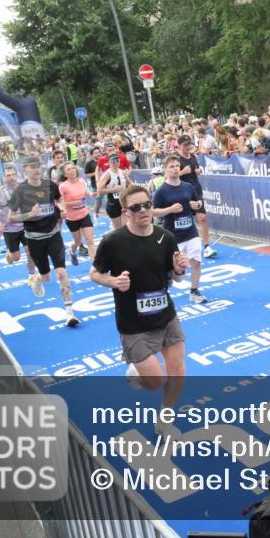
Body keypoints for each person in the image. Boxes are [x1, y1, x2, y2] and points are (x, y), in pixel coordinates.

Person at [91, 184, 190, 436]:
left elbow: (176, 277)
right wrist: (114, 282)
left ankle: (164, 419)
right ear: (126, 212)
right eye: (136, 208)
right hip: (133, 324)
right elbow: (95, 273)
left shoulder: (165, 237)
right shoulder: (113, 241)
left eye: (147, 205)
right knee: (155, 382)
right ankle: (137, 369)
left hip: (166, 315)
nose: (144, 211)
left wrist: (179, 269)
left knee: (178, 372)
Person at [8, 157, 79, 327]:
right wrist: (28, 215)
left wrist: (61, 207)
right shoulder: (20, 190)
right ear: (24, 169)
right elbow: (11, 217)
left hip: (54, 234)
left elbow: (59, 199)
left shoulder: (49, 184)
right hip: (34, 238)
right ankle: (38, 278)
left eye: (38, 166)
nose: (35, 169)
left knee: (62, 273)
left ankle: (69, 312)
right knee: (47, 277)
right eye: (32, 167)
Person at [152, 155, 208, 304]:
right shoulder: (161, 191)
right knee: (174, 268)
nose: (176, 169)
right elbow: (153, 211)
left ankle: (194, 291)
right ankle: (164, 287)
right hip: (172, 235)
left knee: (196, 261)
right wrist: (169, 209)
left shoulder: (187, 186)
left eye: (177, 166)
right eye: (171, 166)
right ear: (165, 169)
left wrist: (196, 205)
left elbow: (197, 201)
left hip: (191, 231)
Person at [176, 134, 216, 258]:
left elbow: (196, 170)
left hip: (195, 191)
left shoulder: (194, 156)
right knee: (184, 221)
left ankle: (207, 247)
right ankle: (182, 248)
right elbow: (169, 177)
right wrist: (182, 172)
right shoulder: (176, 159)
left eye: (190, 144)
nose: (188, 147)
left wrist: (198, 171)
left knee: (202, 218)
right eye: (185, 145)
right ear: (179, 145)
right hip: (182, 192)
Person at [0, 165, 34, 274]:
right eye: (8, 175)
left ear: (17, 175)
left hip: (25, 226)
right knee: (16, 258)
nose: (11, 177)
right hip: (9, 229)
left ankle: (32, 276)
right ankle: (10, 255)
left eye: (13, 174)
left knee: (30, 252)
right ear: (4, 177)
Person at [59, 162, 96, 266]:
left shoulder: (81, 181)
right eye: (69, 170)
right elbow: (58, 202)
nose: (72, 171)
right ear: (65, 174)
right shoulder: (63, 186)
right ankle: (73, 252)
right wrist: (71, 203)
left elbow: (86, 192)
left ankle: (95, 266)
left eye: (73, 168)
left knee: (90, 240)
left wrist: (92, 194)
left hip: (84, 214)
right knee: (77, 241)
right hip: (72, 218)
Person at [97, 153, 129, 230]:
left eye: (117, 160)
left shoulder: (123, 172)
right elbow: (99, 190)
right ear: (109, 163)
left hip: (123, 202)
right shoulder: (107, 174)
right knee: (118, 229)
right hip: (113, 203)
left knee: (127, 227)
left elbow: (130, 183)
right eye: (113, 161)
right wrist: (114, 189)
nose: (115, 163)